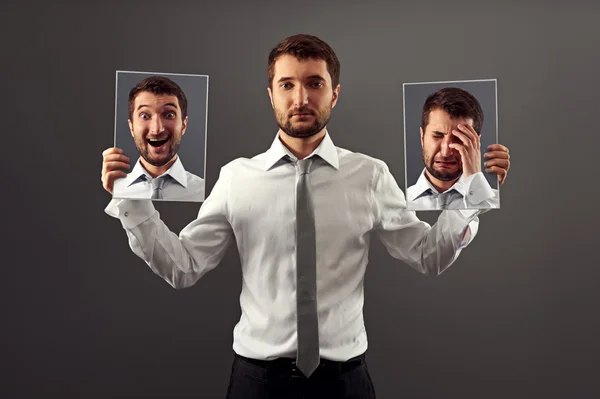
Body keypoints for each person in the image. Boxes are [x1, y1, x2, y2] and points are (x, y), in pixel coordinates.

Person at [100, 34, 511, 399]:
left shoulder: (370, 175)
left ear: (334, 94)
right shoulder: (236, 178)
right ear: (271, 95)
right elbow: (182, 267)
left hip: (344, 381)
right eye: (287, 85)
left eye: (315, 84)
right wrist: (132, 199)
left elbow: (429, 256)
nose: (301, 99)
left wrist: (472, 191)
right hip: (257, 381)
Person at [406, 87, 504, 211]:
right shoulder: (398, 203)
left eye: (459, 139)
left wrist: (475, 180)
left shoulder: (497, 202)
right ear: (422, 137)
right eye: (437, 136)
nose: (446, 152)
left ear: (476, 144)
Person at [112, 75, 205, 202]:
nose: (157, 130)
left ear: (183, 125)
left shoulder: (207, 193)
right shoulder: (113, 190)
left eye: (169, 114)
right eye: (145, 115)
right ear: (131, 127)